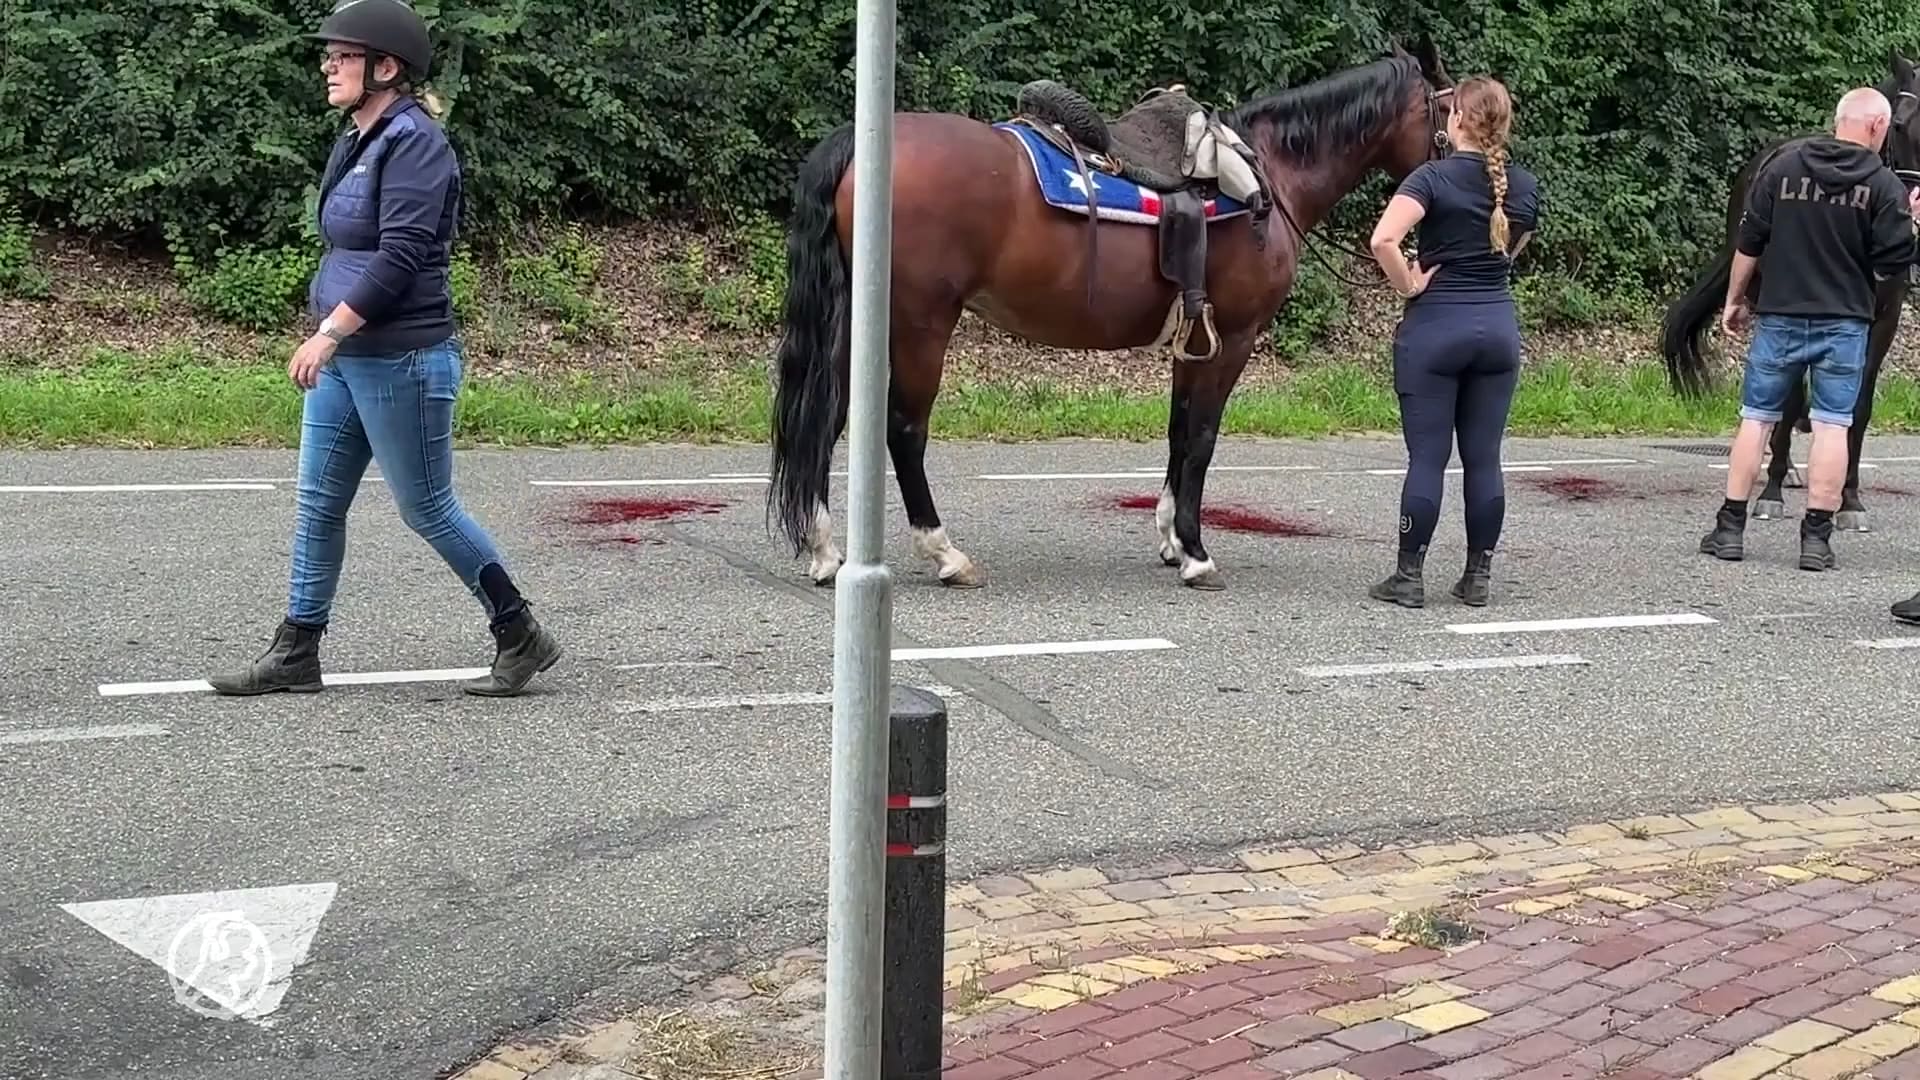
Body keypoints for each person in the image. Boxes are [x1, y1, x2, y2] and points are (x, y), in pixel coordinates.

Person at [209, 0, 562, 698]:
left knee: (427, 507)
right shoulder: (359, 136)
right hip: (351, 359)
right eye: (330, 54)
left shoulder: (415, 143)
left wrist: (329, 331)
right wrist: (336, 335)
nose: (328, 65)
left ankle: (520, 632)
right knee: (318, 503)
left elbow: (399, 256)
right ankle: (296, 651)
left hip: (404, 358)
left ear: (387, 67)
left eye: (343, 55)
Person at [1700, 87, 1919, 571]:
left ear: (1838, 119)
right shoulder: (1883, 186)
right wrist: (1912, 224)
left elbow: (1749, 242)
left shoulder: (1782, 168)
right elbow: (1892, 263)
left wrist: (1736, 299)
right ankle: (1816, 538)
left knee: (1756, 419)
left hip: (1779, 316)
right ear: (1878, 127)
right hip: (1844, 324)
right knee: (1832, 426)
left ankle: (1730, 528)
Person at [1364, 75, 1541, 608]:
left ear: (1458, 119)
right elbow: (1511, 250)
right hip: (1498, 331)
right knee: (1484, 458)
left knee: (1428, 458)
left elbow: (1383, 239)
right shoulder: (1524, 186)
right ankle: (1477, 576)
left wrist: (1409, 283)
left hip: (1436, 331)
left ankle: (1409, 576)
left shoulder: (1431, 178)